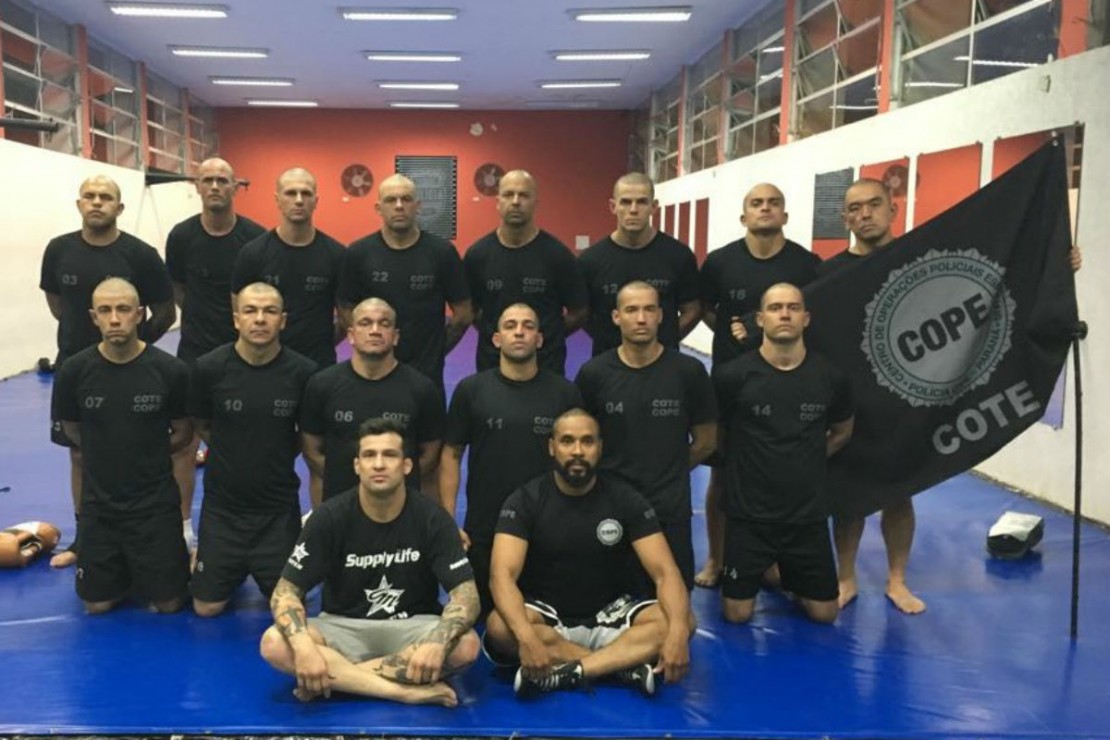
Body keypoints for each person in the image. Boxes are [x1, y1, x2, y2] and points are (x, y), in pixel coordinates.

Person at [260, 417, 480, 706]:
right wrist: (303, 647)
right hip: (342, 626)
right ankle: (400, 691)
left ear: (406, 466)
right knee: (274, 643)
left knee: (466, 646)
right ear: (357, 466)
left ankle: (340, 679)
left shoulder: (433, 519)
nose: (378, 464)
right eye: (369, 455)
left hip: (411, 627)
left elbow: (466, 596)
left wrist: (437, 643)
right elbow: (286, 591)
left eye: (389, 455)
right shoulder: (328, 518)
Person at [485, 409, 693, 697]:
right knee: (499, 628)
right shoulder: (525, 501)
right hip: (550, 619)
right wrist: (526, 637)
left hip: (612, 617)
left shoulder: (626, 498)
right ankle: (620, 665)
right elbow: (501, 576)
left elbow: (665, 572)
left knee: (683, 620)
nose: (578, 451)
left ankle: (572, 671)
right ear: (552, 447)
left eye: (587, 441)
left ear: (600, 447)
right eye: (567, 441)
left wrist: (679, 633)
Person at [40, 175, 176, 568]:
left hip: (131, 370)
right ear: (79, 204)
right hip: (75, 368)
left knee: (136, 450)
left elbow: (166, 312)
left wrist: (132, 347)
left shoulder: (141, 255)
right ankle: (86, 539)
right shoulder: (59, 250)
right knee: (80, 454)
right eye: (90, 196)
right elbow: (58, 304)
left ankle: (144, 533)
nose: (97, 202)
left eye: (106, 197)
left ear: (119, 207)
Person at [694, 183, 822, 588]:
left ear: (785, 215)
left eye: (773, 203)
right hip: (731, 381)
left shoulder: (806, 264)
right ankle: (716, 559)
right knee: (721, 473)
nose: (765, 208)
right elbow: (707, 309)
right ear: (743, 215)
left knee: (783, 470)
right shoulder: (720, 262)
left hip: (790, 382)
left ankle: (776, 557)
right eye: (756, 203)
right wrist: (737, 340)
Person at [713, 283, 854, 625]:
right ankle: (767, 571)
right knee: (737, 615)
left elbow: (842, 431)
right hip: (749, 516)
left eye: (793, 307)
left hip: (806, 517)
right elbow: (719, 435)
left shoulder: (831, 377)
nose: (785, 314)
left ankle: (782, 573)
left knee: (825, 614)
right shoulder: (732, 376)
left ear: (806, 318)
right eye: (776, 308)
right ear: (760, 319)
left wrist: (805, 457)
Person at [50, 277, 191, 614]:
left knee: (169, 604)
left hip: (154, 506)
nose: (114, 319)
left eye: (123, 309)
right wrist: (108, 450)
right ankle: (124, 570)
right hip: (101, 507)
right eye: (105, 310)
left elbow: (183, 432)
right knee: (97, 605)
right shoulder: (74, 371)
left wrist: (144, 453)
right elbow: (72, 429)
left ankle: (146, 567)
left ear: (139, 314)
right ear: (93, 317)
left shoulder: (170, 370)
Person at [439, 303, 581, 616]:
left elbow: (577, 461)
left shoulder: (564, 393)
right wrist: (449, 520)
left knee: (549, 616)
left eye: (528, 326)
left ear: (539, 339)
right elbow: (451, 453)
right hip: (484, 529)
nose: (519, 332)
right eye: (510, 326)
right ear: (496, 339)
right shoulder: (471, 391)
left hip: (548, 528)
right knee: (481, 617)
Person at [576, 281, 716, 591]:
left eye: (649, 309)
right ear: (616, 317)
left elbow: (707, 440)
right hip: (611, 506)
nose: (641, 318)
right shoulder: (594, 374)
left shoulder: (689, 372)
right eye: (631, 310)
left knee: (677, 605)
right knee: (606, 600)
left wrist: (671, 469)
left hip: (669, 508)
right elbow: (581, 442)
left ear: (661, 316)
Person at [189, 283, 317, 617]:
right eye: (250, 311)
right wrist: (233, 449)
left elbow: (305, 437)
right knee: (206, 608)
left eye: (269, 311)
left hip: (277, 511)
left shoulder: (303, 373)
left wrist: (269, 452)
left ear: (282, 320)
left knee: (288, 608)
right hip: (223, 510)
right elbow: (202, 423)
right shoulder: (208, 368)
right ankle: (212, 557)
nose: (260, 319)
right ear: (236, 319)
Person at [166, 157, 267, 549]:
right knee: (184, 442)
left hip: (243, 358)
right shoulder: (181, 236)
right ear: (196, 185)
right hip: (193, 353)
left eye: (222, 180)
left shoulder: (255, 239)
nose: (214, 187)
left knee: (248, 444)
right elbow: (179, 290)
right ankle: (182, 527)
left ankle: (252, 526)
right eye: (207, 179)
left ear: (235, 186)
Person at [300, 298, 444, 507]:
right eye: (365, 323)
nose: (375, 330)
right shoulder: (322, 385)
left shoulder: (422, 389)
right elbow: (312, 451)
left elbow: (429, 456)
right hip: (339, 505)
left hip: (400, 507)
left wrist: (386, 483)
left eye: (384, 324)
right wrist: (347, 479)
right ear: (351, 335)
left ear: (395, 337)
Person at [339, 173, 472, 388]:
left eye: (406, 199)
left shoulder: (442, 252)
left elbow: (464, 314)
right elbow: (345, 308)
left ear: (417, 206)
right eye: (391, 200)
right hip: (373, 370)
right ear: (379, 208)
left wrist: (436, 350)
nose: (399, 206)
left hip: (426, 373)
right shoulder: (358, 253)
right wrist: (368, 346)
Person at [463, 170, 588, 375]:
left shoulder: (558, 255)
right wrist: (499, 335)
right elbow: (470, 311)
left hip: (546, 365)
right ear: (498, 202)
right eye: (508, 194)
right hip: (492, 365)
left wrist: (547, 335)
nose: (515, 201)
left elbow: (579, 312)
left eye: (523, 195)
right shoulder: (477, 255)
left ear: (535, 203)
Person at [231, 167, 345, 368]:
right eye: (291, 193)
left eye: (306, 193)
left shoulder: (337, 255)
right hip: (267, 365)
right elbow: (240, 311)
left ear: (316, 201)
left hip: (318, 363)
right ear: (277, 199)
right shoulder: (253, 254)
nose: (299, 200)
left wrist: (322, 342)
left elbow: (346, 318)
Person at [578, 172, 701, 356]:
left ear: (654, 207)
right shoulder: (590, 260)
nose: (633, 210)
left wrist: (664, 341)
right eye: (626, 202)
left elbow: (693, 310)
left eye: (642, 202)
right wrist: (608, 340)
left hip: (664, 363)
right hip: (607, 363)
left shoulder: (679, 256)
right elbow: (582, 314)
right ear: (613, 206)